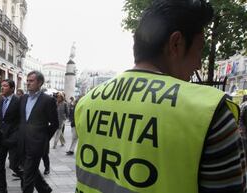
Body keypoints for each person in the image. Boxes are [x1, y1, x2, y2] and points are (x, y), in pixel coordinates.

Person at [75, 1, 246, 193]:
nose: (199, 64)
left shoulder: (87, 102)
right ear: (176, 43)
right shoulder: (209, 113)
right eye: (199, 50)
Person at [19, 70, 58, 193]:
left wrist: (43, 137)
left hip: (36, 144)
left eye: (31, 81)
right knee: (29, 170)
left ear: (40, 82)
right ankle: (45, 189)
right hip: (22, 142)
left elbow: (55, 123)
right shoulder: (23, 98)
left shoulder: (48, 100)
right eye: (27, 81)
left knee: (27, 177)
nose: (28, 83)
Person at [0, 79, 21, 193]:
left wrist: (16, 136)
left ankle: (26, 179)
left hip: (13, 139)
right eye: (1, 85)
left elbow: (21, 121)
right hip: (0, 139)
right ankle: (2, 190)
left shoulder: (18, 101)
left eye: (5, 86)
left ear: (12, 88)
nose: (2, 87)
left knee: (14, 166)